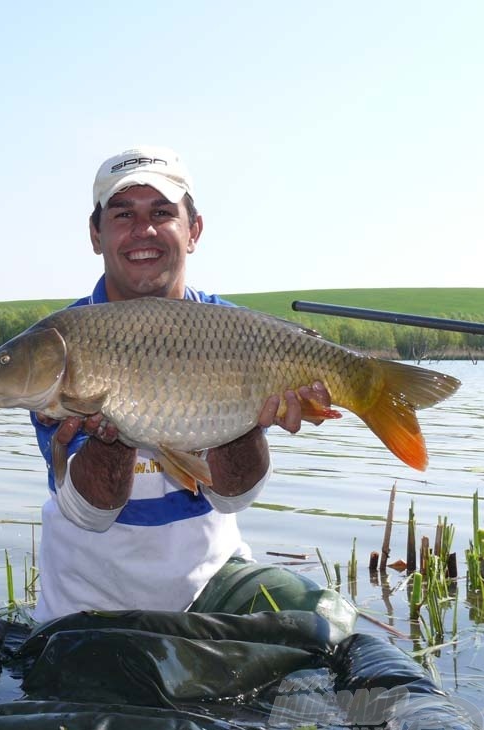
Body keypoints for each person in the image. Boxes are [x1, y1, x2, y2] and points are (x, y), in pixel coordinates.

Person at [30, 145, 332, 623]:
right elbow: (91, 515)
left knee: (317, 618)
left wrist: (245, 425)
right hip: (88, 606)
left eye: (162, 213)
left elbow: (232, 496)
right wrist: (114, 440)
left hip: (211, 584)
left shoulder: (236, 334)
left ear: (193, 230)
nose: (143, 230)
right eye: (123, 213)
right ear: (95, 234)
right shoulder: (61, 345)